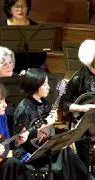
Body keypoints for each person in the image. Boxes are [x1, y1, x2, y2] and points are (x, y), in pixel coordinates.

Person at [14, 68, 88, 179]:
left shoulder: (43, 102)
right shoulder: (24, 109)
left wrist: (51, 119)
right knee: (63, 156)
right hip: (30, 151)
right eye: (45, 85)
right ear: (35, 86)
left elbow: (47, 128)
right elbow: (21, 139)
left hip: (43, 145)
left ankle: (85, 177)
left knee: (65, 149)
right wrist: (45, 124)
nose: (48, 87)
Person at [60, 39, 95, 168]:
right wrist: (83, 108)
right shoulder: (77, 79)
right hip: (84, 123)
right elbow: (64, 104)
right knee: (84, 156)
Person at [0, 0, 48, 73]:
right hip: (7, 71)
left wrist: (31, 69)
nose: (20, 9)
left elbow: (42, 55)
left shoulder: (36, 28)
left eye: (23, 6)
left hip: (31, 71)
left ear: (28, 8)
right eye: (16, 6)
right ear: (9, 9)